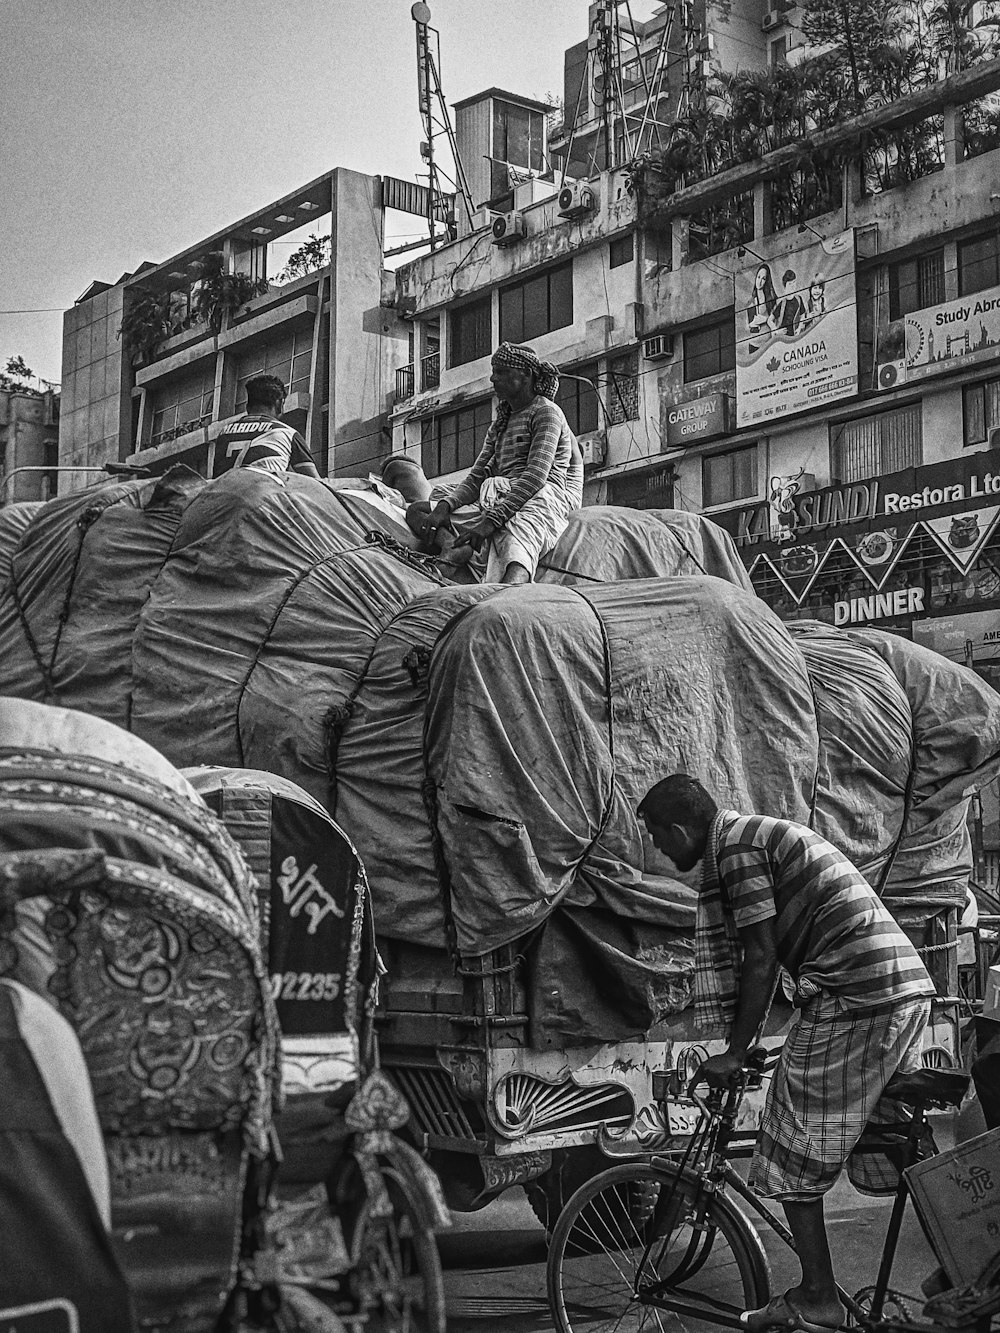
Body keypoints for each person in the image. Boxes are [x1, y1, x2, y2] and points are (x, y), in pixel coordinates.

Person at [637, 774, 935, 1333]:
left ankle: (818, 1296)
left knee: (788, 1139)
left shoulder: (737, 850)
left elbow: (761, 954)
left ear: (680, 829)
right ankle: (956, 1263)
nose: (657, 846)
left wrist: (736, 1050)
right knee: (891, 1137)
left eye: (656, 835)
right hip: (897, 987)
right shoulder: (755, 836)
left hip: (856, 994)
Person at [410, 342, 583, 585]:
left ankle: (511, 588)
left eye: (501, 372)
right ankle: (453, 547)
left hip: (539, 495)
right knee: (418, 510)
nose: (493, 378)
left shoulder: (546, 413)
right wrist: (445, 507)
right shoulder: (501, 421)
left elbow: (535, 477)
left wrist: (490, 523)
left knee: (514, 546)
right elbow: (476, 477)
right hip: (500, 492)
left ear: (526, 375)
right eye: (494, 371)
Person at [212, 374, 320, 479]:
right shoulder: (286, 433)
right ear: (279, 404)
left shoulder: (224, 433)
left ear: (248, 405)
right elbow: (316, 484)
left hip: (221, 494)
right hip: (265, 492)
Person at [768, 269, 807, 338]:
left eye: (794, 282)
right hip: (784, 338)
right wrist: (777, 331)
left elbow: (802, 315)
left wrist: (799, 328)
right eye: (790, 283)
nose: (793, 285)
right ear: (785, 285)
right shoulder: (782, 303)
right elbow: (769, 320)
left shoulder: (799, 299)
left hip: (796, 336)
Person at [747, 264, 777, 335]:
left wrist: (766, 319)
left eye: (763, 279)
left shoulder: (770, 298)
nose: (759, 281)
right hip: (754, 342)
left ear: (766, 281)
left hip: (769, 340)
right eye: (758, 277)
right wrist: (752, 324)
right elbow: (746, 326)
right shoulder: (752, 300)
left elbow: (776, 319)